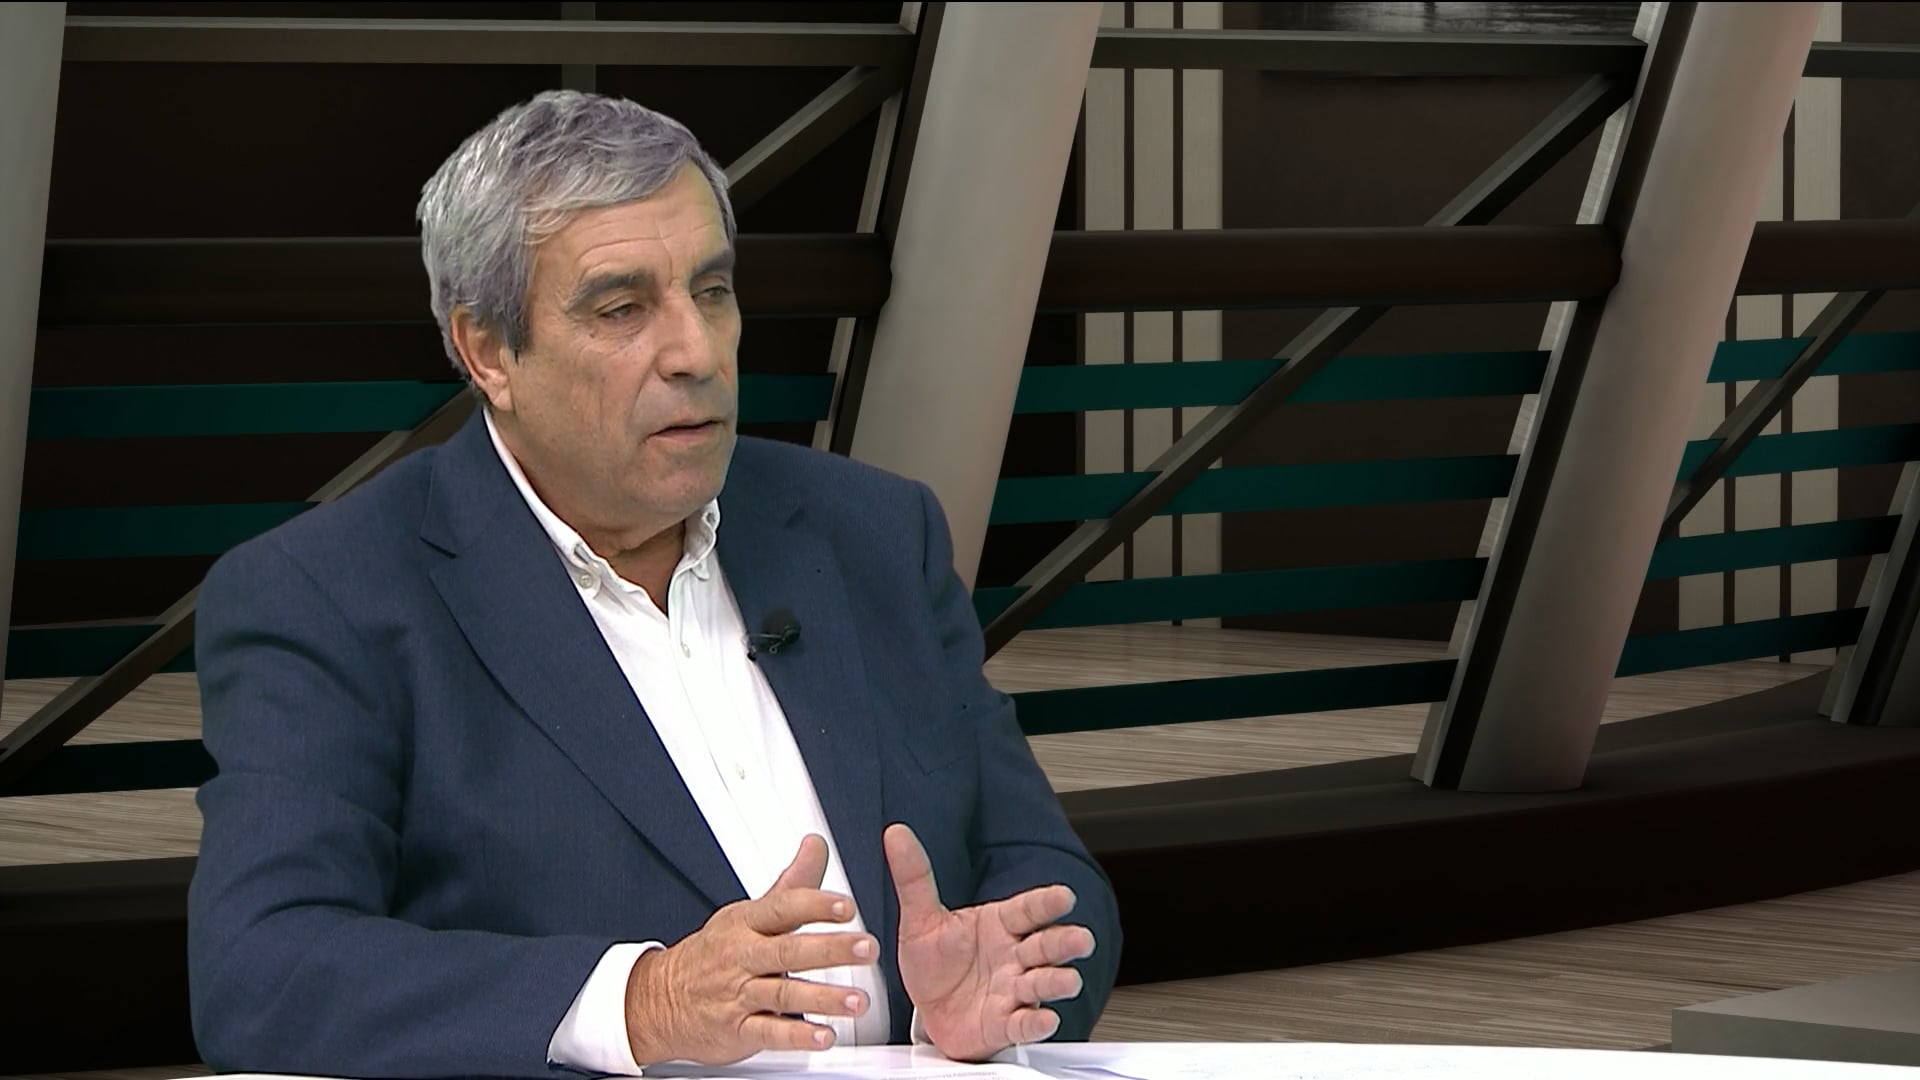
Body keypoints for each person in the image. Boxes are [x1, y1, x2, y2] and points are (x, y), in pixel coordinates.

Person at [185, 89, 1119, 1079]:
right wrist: (641, 1003)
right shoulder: (328, 596)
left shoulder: (874, 535)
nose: (697, 352)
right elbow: (263, 967)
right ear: (489, 351)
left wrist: (1002, 994)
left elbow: (1046, 873)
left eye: (712, 292)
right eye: (622, 309)